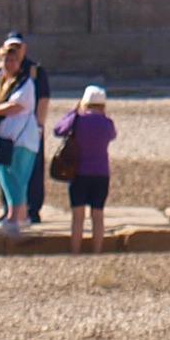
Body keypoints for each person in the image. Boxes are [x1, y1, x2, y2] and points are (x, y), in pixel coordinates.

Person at [0, 36, 44, 235]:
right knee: (5, 175)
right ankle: (20, 215)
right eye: (6, 60)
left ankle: (14, 217)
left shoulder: (25, 83)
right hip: (3, 136)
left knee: (17, 177)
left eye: (13, 60)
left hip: (21, 138)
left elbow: (18, 105)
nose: (9, 64)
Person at [52, 84, 118, 253]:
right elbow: (113, 136)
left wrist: (73, 112)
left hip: (79, 173)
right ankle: (97, 251)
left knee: (78, 217)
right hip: (101, 173)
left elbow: (58, 130)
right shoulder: (107, 124)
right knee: (98, 215)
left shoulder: (78, 121)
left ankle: (75, 251)